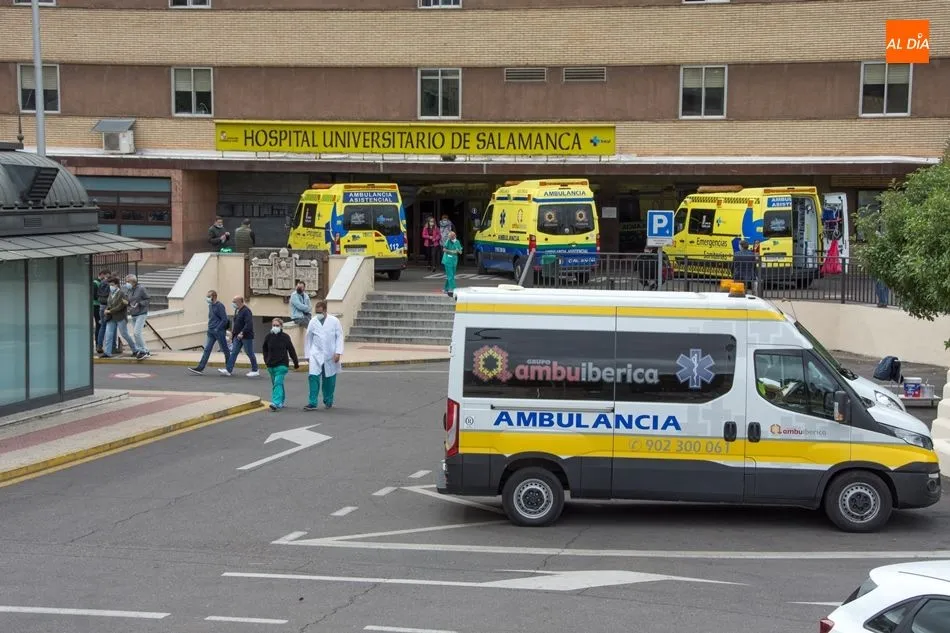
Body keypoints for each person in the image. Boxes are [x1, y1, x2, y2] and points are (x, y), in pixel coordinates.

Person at [303, 300, 344, 411]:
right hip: (315, 354)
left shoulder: (334, 321)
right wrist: (307, 354)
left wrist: (338, 352)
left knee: (329, 380)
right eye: (316, 312)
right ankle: (312, 402)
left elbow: (339, 337)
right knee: (313, 377)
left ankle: (328, 400)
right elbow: (308, 338)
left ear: (325, 311)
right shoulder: (313, 321)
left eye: (320, 312)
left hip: (330, 355)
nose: (318, 314)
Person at [188, 290, 230, 375]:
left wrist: (217, 328)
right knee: (207, 349)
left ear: (213, 297)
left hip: (219, 332)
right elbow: (212, 318)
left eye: (208, 296)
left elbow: (224, 319)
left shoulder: (220, 306)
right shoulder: (210, 305)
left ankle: (229, 368)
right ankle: (200, 368)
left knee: (225, 349)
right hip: (210, 331)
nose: (207, 298)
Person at [262, 318, 300, 411]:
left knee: (277, 383)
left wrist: (296, 363)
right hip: (271, 365)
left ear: (281, 326)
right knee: (277, 384)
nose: (275, 327)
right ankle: (280, 401)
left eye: (277, 325)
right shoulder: (268, 337)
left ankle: (275, 402)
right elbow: (265, 350)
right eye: (273, 325)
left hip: (282, 365)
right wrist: (266, 361)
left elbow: (291, 350)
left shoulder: (285, 337)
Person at [219, 295, 259, 377]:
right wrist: (233, 334)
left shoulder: (246, 311)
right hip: (237, 336)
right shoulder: (237, 310)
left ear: (240, 302)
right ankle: (228, 370)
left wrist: (242, 333)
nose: (233, 303)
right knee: (234, 352)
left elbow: (249, 324)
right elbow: (236, 323)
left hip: (246, 336)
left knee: (249, 352)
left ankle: (255, 370)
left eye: (234, 301)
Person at [100, 277, 136, 358]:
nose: (110, 286)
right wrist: (107, 310)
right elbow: (109, 304)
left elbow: (121, 305)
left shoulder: (121, 293)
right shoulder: (111, 293)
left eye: (112, 285)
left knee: (124, 334)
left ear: (117, 285)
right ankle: (107, 352)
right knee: (108, 334)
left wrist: (110, 311)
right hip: (111, 318)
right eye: (110, 285)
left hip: (120, 317)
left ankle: (135, 349)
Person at [125, 274, 151, 360]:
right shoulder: (129, 290)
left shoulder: (141, 288)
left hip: (141, 313)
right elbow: (130, 300)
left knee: (136, 333)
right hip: (133, 314)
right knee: (137, 334)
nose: (126, 283)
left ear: (133, 281)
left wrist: (140, 304)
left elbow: (148, 299)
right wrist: (128, 305)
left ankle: (142, 351)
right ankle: (145, 350)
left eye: (128, 282)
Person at [441, 230, 463, 296]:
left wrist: (458, 251)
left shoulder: (457, 242)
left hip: (454, 261)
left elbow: (460, 252)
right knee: (450, 275)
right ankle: (454, 289)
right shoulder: (448, 241)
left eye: (452, 237)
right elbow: (444, 249)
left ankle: (446, 289)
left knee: (451, 276)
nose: (451, 238)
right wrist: (451, 251)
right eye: (450, 237)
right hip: (447, 260)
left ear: (454, 236)